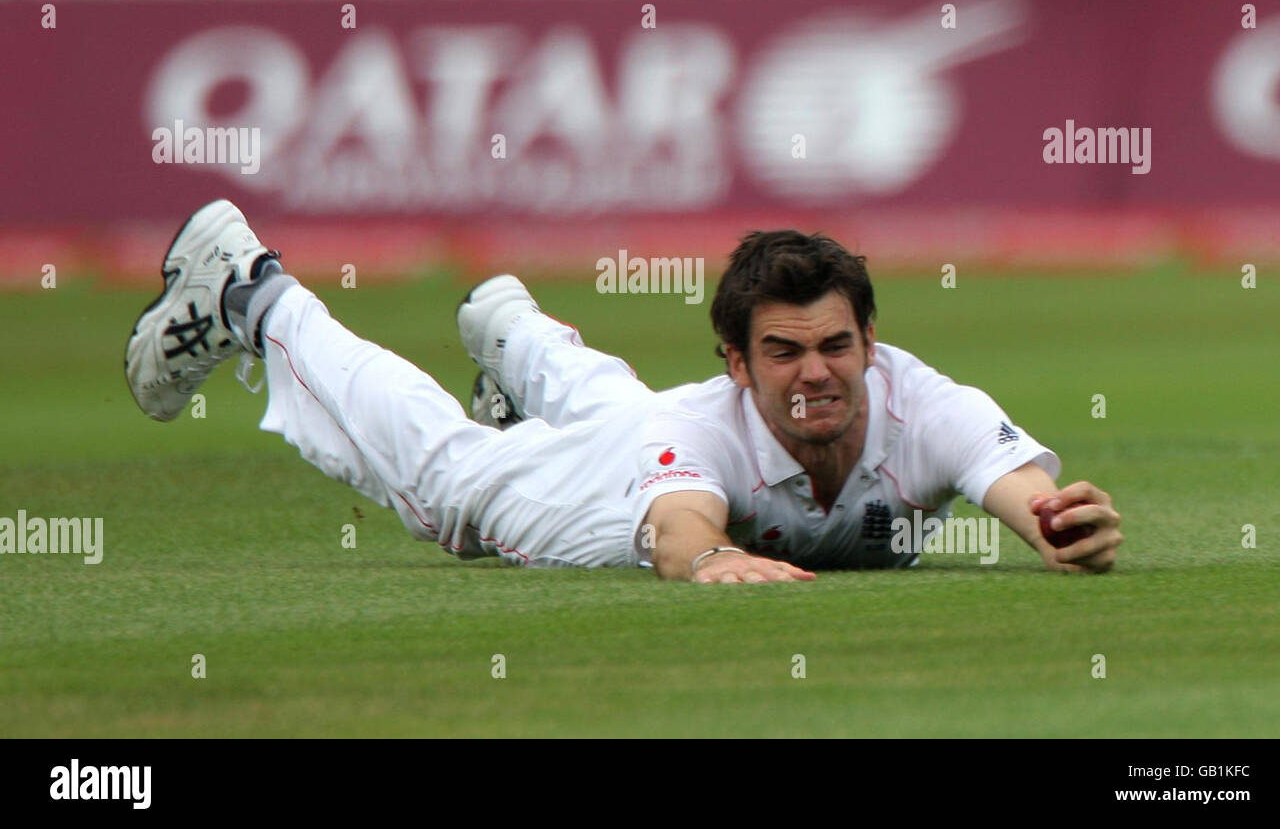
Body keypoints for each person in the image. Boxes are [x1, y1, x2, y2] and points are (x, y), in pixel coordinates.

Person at [125, 199, 1123, 582]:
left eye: (835, 344)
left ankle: (514, 332)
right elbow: (682, 532)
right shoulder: (701, 428)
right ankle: (256, 293)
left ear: (871, 339)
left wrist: (1060, 524)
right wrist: (714, 565)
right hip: (621, 482)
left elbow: (1025, 493)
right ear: (736, 360)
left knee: (619, 408)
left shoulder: (924, 405)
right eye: (782, 351)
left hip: (637, 426)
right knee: (447, 483)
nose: (816, 371)